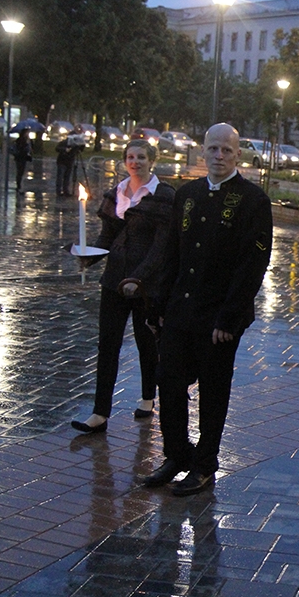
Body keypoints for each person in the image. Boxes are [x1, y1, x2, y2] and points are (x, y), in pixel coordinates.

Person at [142, 123, 273, 496]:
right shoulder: (187, 194)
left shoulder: (253, 200)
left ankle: (204, 465)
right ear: (203, 151)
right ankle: (176, 454)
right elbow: (172, 253)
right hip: (181, 309)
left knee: (213, 392)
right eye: (213, 148)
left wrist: (230, 318)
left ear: (238, 155)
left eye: (226, 150)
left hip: (219, 317)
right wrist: (158, 305)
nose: (219, 156)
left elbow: (252, 265)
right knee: (168, 382)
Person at [71, 140, 175, 433]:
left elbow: (161, 247)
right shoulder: (117, 192)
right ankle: (100, 413)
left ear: (151, 161)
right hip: (114, 279)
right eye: (130, 156)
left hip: (147, 284)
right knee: (108, 344)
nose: (135, 161)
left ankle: (147, 398)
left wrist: (138, 279)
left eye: (141, 157)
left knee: (145, 341)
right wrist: (88, 257)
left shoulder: (164, 196)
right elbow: (108, 237)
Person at [55, 128, 85, 197]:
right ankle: (59, 191)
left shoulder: (76, 144)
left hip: (70, 162)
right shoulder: (64, 142)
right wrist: (65, 150)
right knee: (60, 177)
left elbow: (81, 149)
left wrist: (81, 144)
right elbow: (57, 148)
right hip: (62, 161)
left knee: (67, 177)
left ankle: (66, 191)